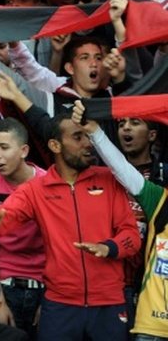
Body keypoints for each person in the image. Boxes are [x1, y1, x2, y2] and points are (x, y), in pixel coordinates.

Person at [0, 113, 140, 341]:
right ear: (55, 145)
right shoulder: (35, 189)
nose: (87, 144)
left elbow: (132, 236)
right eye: (78, 137)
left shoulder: (108, 180)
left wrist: (109, 248)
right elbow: (5, 220)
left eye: (88, 136)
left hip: (109, 302)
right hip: (60, 304)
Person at [73, 101, 168, 339]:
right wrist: (94, 130)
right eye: (123, 124)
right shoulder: (159, 197)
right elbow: (122, 170)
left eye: (135, 123)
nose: (126, 128)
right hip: (148, 316)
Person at [0, 118, 45, 334]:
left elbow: (58, 243)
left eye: (4, 147)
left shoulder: (47, 183)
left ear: (23, 150)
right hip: (5, 284)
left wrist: (51, 297)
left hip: (45, 286)